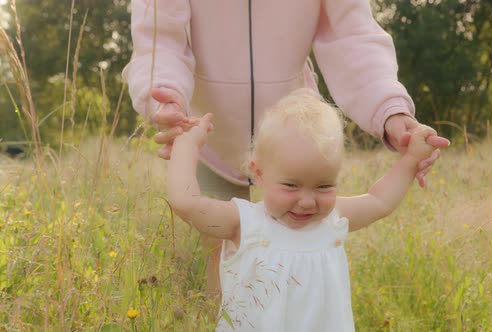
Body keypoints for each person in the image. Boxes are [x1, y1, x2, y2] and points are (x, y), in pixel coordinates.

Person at [123, 0, 450, 303]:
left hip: (296, 133)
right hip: (205, 131)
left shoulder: (312, 201)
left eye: (324, 189)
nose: (309, 200)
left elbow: (352, 33)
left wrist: (391, 111)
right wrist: (169, 103)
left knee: (301, 252)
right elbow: (159, 41)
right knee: (216, 261)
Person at [167, 90, 443, 331]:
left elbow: (379, 200)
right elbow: (186, 202)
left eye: (324, 186)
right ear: (259, 174)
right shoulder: (245, 223)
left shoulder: (332, 219)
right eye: (290, 186)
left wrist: (411, 160)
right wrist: (187, 145)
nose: (308, 201)